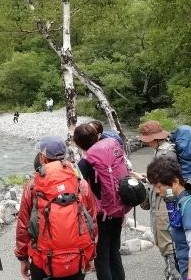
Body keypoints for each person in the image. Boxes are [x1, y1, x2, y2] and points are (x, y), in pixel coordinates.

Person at [16, 136, 97, 280]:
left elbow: (23, 225)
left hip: (42, 259)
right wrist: (90, 255)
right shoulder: (80, 183)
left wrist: (22, 258)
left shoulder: (33, 186)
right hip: (77, 258)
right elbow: (92, 222)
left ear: (43, 158)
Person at [74, 124, 125, 280]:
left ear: (77, 143)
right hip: (118, 209)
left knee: (101, 258)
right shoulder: (110, 149)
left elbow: (78, 189)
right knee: (114, 254)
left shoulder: (85, 162)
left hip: (100, 214)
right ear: (97, 136)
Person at [133, 120, 177, 280]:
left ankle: (174, 273)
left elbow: (169, 182)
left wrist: (149, 182)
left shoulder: (167, 154)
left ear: (156, 138)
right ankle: (171, 271)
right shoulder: (160, 150)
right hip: (160, 200)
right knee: (162, 238)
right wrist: (145, 178)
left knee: (167, 240)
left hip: (165, 202)